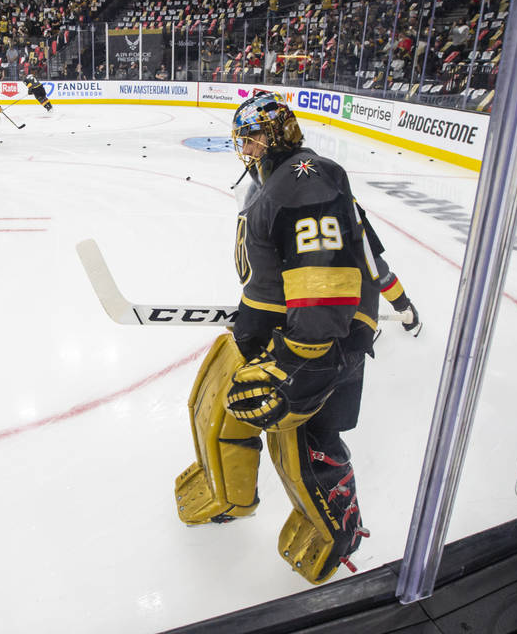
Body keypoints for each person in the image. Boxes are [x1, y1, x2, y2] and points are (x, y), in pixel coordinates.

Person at [174, 90, 420, 585]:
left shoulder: (305, 183)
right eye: (243, 139)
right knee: (223, 397)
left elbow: (325, 278)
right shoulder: (280, 179)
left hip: (327, 339)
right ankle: (233, 497)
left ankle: (340, 529)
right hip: (294, 327)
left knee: (307, 439)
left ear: (279, 133)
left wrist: (303, 356)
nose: (246, 147)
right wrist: (254, 328)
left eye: (253, 137)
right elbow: (299, 268)